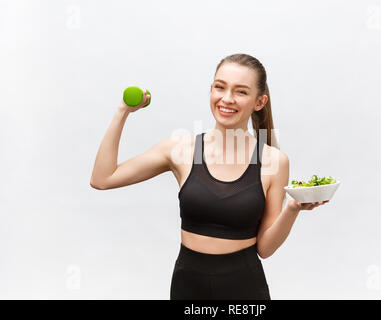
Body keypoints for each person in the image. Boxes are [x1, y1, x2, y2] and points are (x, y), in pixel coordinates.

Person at [90, 53, 328, 300]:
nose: (227, 99)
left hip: (245, 289)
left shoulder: (274, 161)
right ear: (211, 90)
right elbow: (103, 178)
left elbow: (265, 249)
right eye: (220, 87)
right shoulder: (180, 150)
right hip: (187, 286)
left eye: (241, 92)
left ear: (260, 102)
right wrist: (122, 112)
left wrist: (293, 209)